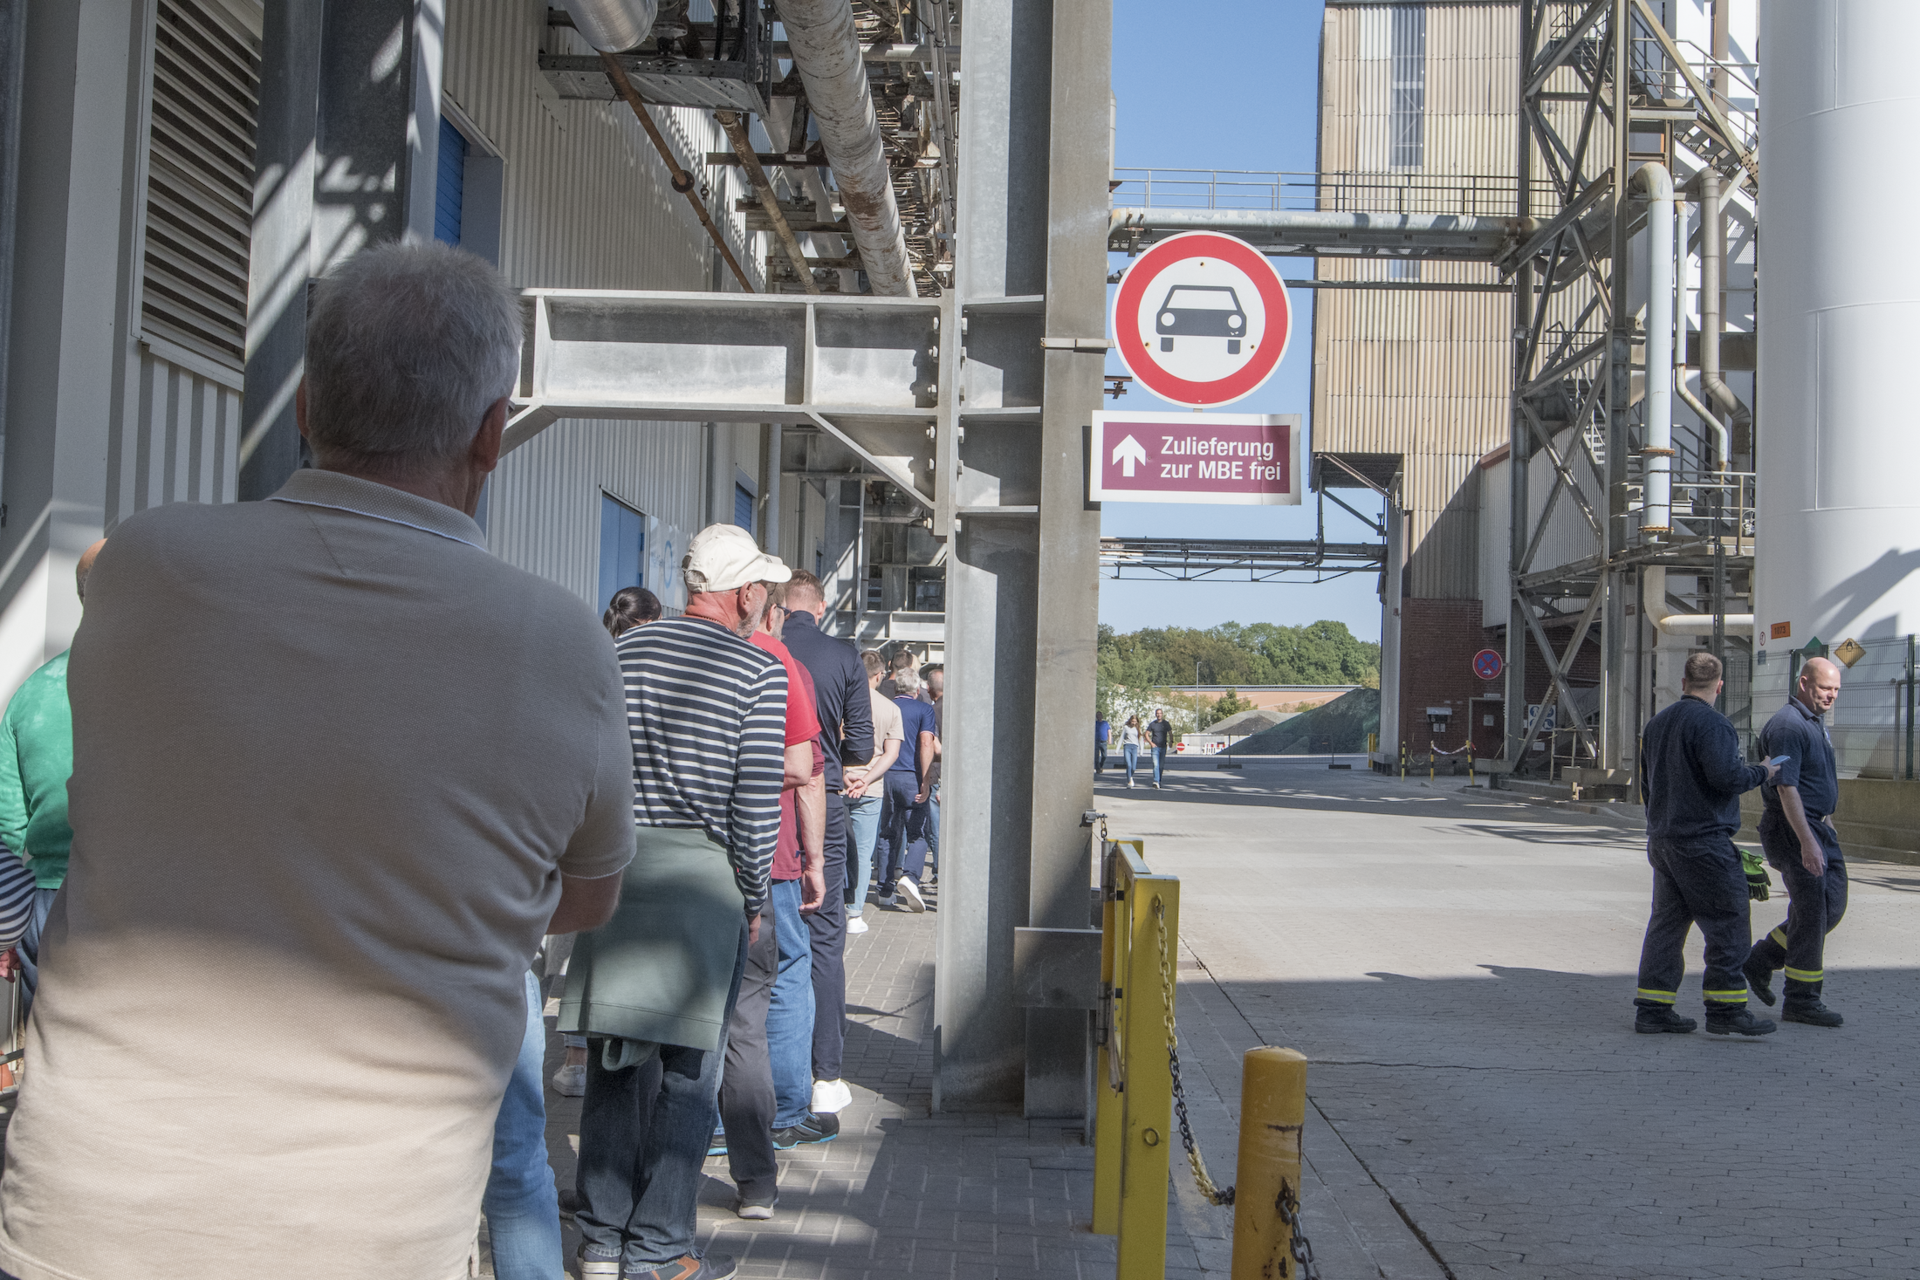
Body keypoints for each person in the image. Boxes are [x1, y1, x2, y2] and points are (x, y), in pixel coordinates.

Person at [0, 241, 635, 1280]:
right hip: (370, 1229)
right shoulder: (561, 643)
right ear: (492, 433)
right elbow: (591, 896)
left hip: (85, 1212)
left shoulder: (146, 565)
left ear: (303, 407)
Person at [561, 522, 791, 1280]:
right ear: (746, 593)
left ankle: (600, 1242)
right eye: (764, 589)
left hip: (619, 872)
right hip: (704, 880)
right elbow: (754, 805)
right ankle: (659, 1249)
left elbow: (587, 763)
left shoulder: (623, 652)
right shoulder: (757, 671)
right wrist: (754, 896)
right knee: (691, 1073)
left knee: (614, 1060)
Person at [715, 584, 827, 1218]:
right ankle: (782, 1116)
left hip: (683, 858)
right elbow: (806, 771)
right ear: (761, 603)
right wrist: (814, 861)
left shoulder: (666, 650)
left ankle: (704, 1128)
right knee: (774, 986)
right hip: (771, 856)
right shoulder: (777, 661)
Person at [553, 585, 668, 1100]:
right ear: (655, 620)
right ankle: (621, 1048)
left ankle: (576, 1058)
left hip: (583, 814)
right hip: (640, 823)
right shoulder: (656, 669)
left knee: (575, 945)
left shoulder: (591, 661)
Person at [1632, 651, 1779, 1037]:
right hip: (1703, 843)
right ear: (1720, 685)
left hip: (1663, 841)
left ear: (1683, 682)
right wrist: (1763, 771)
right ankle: (1726, 1009)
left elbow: (1647, 785)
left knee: (1666, 925)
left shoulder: (1657, 724)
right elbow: (1727, 778)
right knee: (1729, 921)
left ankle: (1653, 1009)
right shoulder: (1714, 724)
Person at [773, 570, 873, 1119]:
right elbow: (859, 746)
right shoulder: (843, 655)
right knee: (824, 936)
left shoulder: (759, 647)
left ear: (780, 605)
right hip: (824, 800)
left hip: (762, 800)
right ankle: (825, 1075)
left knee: (763, 931)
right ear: (821, 605)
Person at [0, 538, 104, 1020]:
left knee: (43, 1052)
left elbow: (7, 826)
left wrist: (5, 930)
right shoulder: (165, 683)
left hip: (44, 906)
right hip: (135, 905)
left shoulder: (30, 694)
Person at [1744, 656, 1849, 1028]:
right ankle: (1802, 1000)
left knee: (1829, 907)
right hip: (1793, 830)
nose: (1831, 695)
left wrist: (1826, 825)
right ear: (1804, 683)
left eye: (1836, 689)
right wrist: (1807, 841)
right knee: (1812, 912)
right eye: (1825, 688)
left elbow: (1812, 782)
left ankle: (1761, 959)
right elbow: (1786, 787)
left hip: (1816, 827)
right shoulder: (1788, 726)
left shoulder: (1813, 723)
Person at [843, 650, 904, 936]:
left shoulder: (842, 701)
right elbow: (891, 754)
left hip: (839, 782)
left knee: (830, 849)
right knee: (863, 852)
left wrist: (844, 772)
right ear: (879, 676)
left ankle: (829, 907)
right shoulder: (890, 708)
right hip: (871, 787)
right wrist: (867, 778)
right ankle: (854, 913)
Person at [874, 668, 938, 913]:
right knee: (917, 834)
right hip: (912, 777)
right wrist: (925, 780)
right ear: (917, 690)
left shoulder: (886, 707)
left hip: (886, 775)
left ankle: (884, 891)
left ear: (896, 687)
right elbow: (926, 743)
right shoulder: (924, 710)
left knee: (888, 833)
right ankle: (910, 877)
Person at [920, 664, 944, 881]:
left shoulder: (932, 712)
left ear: (929, 689)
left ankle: (938, 871)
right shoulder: (958, 709)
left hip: (936, 774)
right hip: (951, 775)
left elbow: (932, 746)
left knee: (935, 829)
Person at [1146, 708, 1173, 788]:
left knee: (1161, 766)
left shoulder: (1166, 723)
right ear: (1155, 714)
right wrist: (1151, 743)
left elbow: (1170, 733)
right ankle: (1156, 781)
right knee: (1156, 765)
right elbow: (1146, 734)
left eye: (1160, 713)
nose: (1159, 715)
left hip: (1163, 747)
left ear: (1162, 714)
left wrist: (1171, 741)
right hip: (1155, 747)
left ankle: (1159, 780)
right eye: (1157, 713)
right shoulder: (1152, 724)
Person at [1121, 715, 1143, 788]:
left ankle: (1130, 776)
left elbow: (1140, 739)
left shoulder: (1138, 728)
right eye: (1132, 721)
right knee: (1129, 765)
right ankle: (1129, 781)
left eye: (1135, 721)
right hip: (1127, 746)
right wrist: (1117, 749)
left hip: (1135, 747)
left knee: (1133, 767)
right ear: (1130, 721)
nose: (1134, 723)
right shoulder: (1126, 728)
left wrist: (1141, 751)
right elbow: (1122, 738)